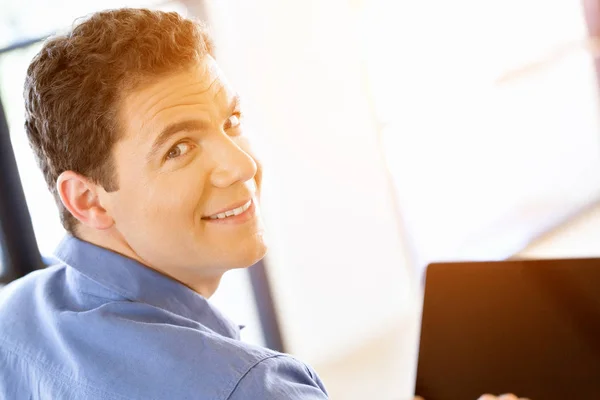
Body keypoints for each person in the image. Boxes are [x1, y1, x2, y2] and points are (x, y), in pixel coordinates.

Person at [0, 7, 527, 400]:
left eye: (230, 122)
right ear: (88, 199)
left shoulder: (12, 318)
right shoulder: (249, 387)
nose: (241, 165)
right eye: (179, 148)